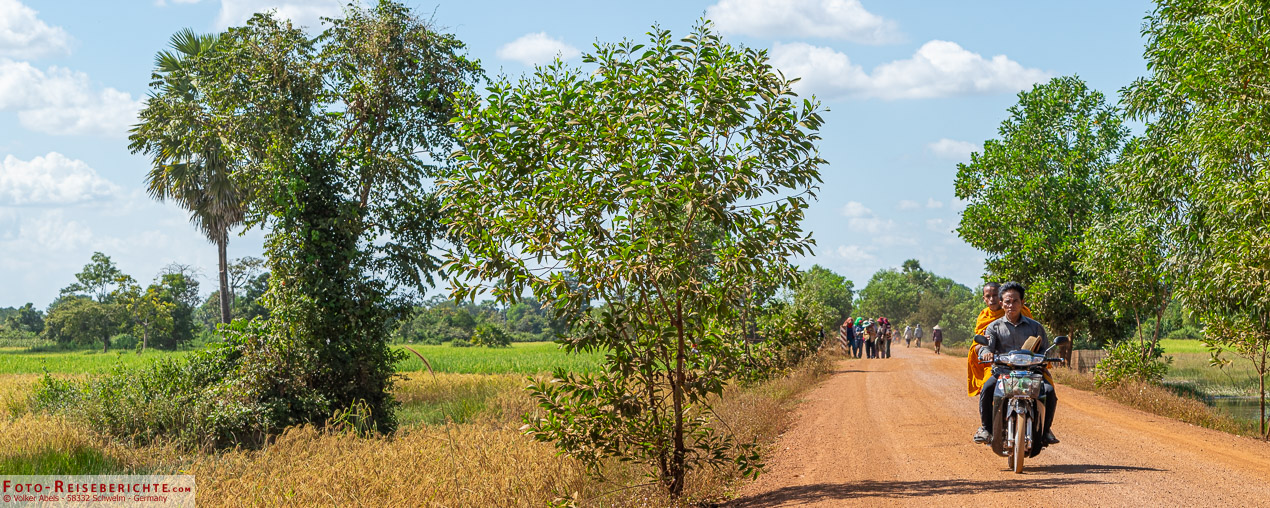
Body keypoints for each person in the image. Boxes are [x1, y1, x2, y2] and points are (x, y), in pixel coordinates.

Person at [973, 281, 1059, 446]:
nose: (1011, 305)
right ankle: (986, 429)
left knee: (1049, 392)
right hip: (1002, 372)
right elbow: (984, 347)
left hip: (1032, 372)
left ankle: (1046, 430)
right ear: (1001, 303)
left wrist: (1045, 357)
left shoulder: (1036, 327)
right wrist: (986, 354)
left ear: (1022, 303)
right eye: (1007, 302)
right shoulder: (993, 327)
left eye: (1015, 301)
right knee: (987, 388)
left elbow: (1046, 349)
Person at [966, 282, 1035, 398]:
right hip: (998, 365)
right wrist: (985, 350)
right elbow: (977, 346)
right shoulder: (985, 319)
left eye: (995, 295)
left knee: (1047, 390)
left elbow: (1036, 339)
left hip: (1025, 363)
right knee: (987, 389)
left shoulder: (1023, 314)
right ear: (984, 299)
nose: (992, 299)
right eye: (988, 296)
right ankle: (987, 416)